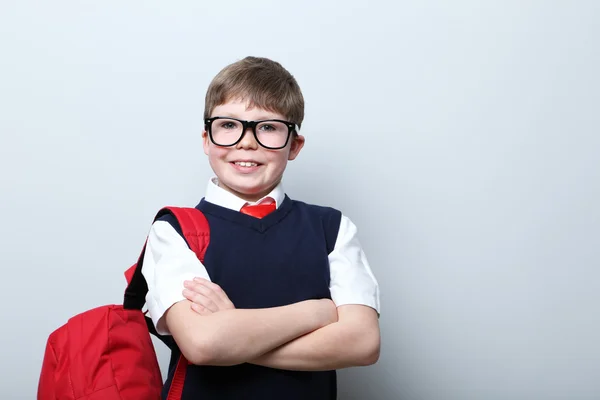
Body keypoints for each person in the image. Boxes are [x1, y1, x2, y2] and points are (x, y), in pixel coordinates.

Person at [141, 56, 381, 400]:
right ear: (207, 139)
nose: (246, 142)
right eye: (228, 125)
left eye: (268, 127)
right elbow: (204, 344)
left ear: (294, 145)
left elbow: (362, 343)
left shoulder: (331, 228)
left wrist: (233, 332)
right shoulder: (175, 230)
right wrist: (317, 312)